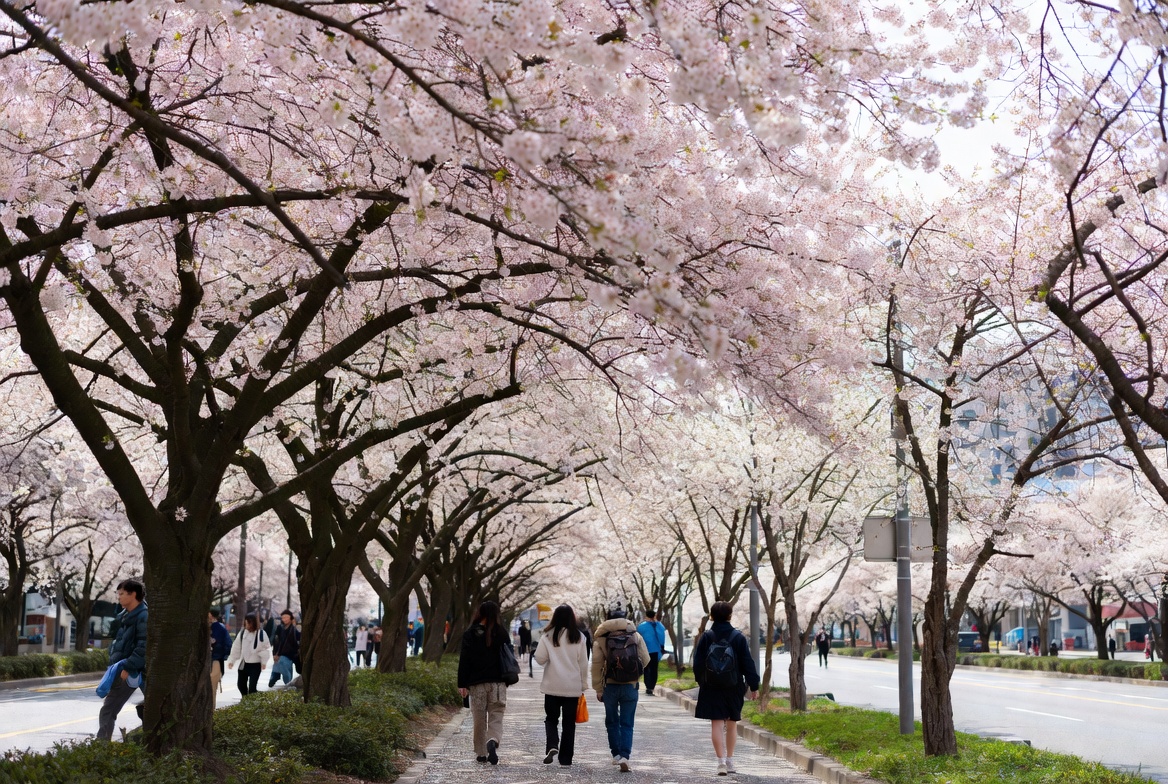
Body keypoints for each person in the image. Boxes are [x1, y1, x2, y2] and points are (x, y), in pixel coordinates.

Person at [694, 601, 760, 776]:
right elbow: (747, 662)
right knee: (731, 724)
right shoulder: (738, 637)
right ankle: (730, 760)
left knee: (716, 723)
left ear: (711, 616)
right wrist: (754, 685)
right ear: (730, 615)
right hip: (733, 685)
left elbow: (698, 662)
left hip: (711, 686)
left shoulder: (707, 636)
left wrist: (702, 681)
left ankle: (720, 762)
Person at [592, 606, 650, 773]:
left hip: (609, 686)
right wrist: (632, 671)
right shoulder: (635, 635)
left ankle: (616, 754)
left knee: (611, 721)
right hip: (630, 685)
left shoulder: (601, 639)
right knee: (627, 723)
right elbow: (645, 660)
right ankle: (625, 755)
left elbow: (596, 665)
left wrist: (598, 688)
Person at [457, 600, 514, 765]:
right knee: (496, 715)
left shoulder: (470, 634)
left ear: (479, 613)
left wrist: (462, 684)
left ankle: (481, 752)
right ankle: (493, 740)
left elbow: (464, 660)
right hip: (497, 684)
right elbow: (508, 656)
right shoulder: (501, 632)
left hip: (477, 684)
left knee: (479, 718)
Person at [535, 605, 589, 767]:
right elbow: (583, 664)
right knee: (569, 723)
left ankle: (552, 745)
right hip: (572, 687)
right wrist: (583, 684)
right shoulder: (579, 637)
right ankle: (566, 759)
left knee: (551, 719)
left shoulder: (548, 636)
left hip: (552, 686)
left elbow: (540, 659)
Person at [97, 578, 148, 741]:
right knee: (153, 708)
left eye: (121, 594)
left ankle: (101, 745)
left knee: (108, 709)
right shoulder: (126, 616)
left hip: (132, 670)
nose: (118, 597)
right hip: (125, 668)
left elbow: (143, 645)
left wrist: (128, 666)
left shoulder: (143, 616)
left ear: (133, 595)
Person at [228, 612, 271, 695]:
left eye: (249, 622)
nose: (247, 625)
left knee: (252, 688)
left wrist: (264, 662)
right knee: (241, 685)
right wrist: (231, 661)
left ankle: (252, 702)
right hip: (244, 664)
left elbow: (265, 650)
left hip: (255, 664)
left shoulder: (261, 634)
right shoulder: (242, 633)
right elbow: (236, 648)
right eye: (246, 622)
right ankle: (245, 700)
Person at [637, 609, 667, 696]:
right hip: (655, 651)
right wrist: (662, 646)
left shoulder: (641, 626)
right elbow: (662, 637)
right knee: (654, 669)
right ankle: (651, 687)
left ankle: (647, 685)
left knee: (646, 668)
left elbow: (638, 637)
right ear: (654, 616)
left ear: (646, 616)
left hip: (645, 650)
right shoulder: (659, 625)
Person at [268, 610, 301, 688]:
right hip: (282, 652)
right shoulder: (280, 628)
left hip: (293, 652)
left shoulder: (294, 627)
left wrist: (295, 627)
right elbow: (276, 641)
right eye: (283, 617)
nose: (284, 619)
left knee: (285, 666)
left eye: (286, 617)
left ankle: (287, 682)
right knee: (279, 663)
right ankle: (276, 677)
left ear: (291, 618)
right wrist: (275, 653)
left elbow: (299, 637)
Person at [208, 609, 231, 708]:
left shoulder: (219, 628)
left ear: (212, 616)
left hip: (215, 660)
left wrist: (219, 653)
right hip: (212, 659)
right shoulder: (215, 627)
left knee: (212, 687)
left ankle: (211, 710)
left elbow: (228, 645)